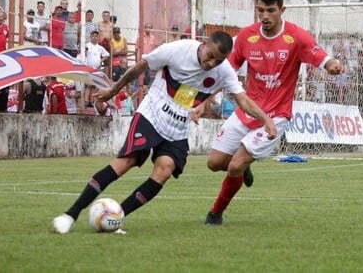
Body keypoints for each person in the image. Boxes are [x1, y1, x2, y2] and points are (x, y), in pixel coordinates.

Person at [52, 30, 276, 234]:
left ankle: (116, 218)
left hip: (178, 127)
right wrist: (114, 89)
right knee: (127, 162)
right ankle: (71, 214)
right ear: (204, 43)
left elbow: (243, 100)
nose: (211, 63)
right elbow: (142, 65)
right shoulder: (177, 50)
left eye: (218, 60)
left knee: (165, 169)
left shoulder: (224, 71)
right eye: (210, 55)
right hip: (152, 113)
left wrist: (266, 119)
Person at [204, 0, 343, 225]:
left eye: (270, 10)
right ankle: (244, 167)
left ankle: (215, 214)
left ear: (282, 10)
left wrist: (331, 65)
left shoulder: (296, 37)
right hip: (247, 110)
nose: (265, 16)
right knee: (214, 163)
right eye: (260, 11)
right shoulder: (247, 37)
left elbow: (320, 56)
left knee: (234, 165)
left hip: (277, 115)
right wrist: (205, 99)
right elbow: (227, 71)